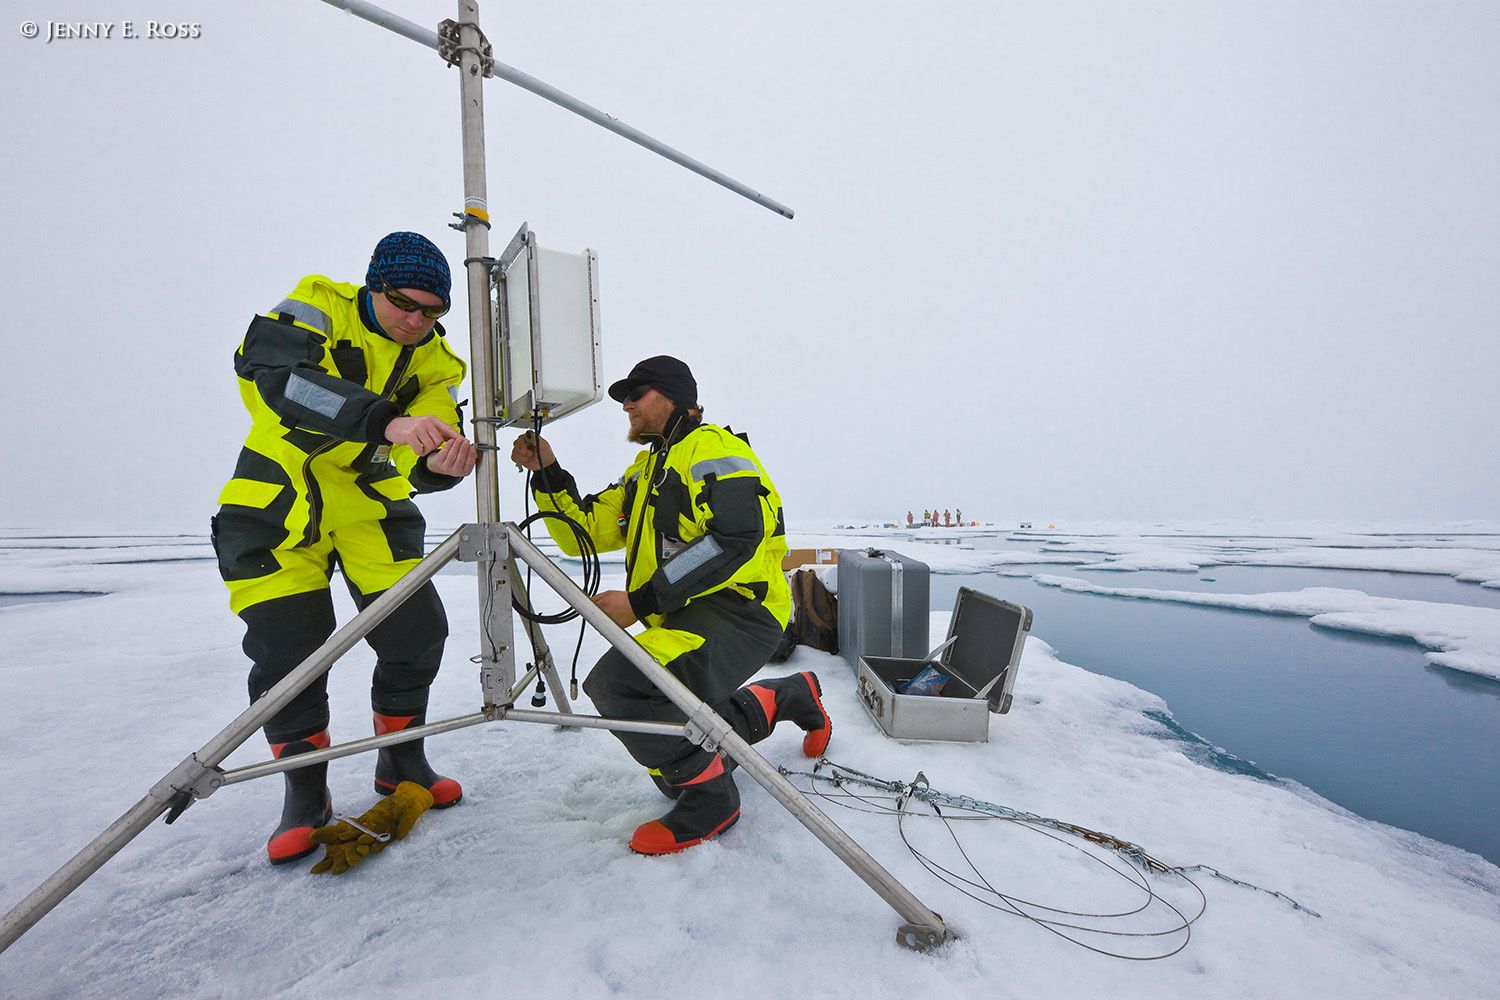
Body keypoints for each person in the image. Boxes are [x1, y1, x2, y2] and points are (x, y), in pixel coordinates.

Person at [212, 231, 479, 865]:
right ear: (373, 286)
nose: (415, 321)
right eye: (402, 304)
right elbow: (278, 378)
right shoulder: (315, 305)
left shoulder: (437, 363)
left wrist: (445, 461)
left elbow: (422, 459)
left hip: (369, 507)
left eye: (431, 311)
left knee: (417, 633)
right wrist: (387, 421)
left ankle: (400, 761)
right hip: (278, 499)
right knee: (288, 653)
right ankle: (306, 796)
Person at [510, 355, 832, 855]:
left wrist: (641, 601)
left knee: (621, 687)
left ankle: (712, 799)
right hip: (689, 612)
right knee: (671, 714)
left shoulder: (711, 449)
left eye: (636, 394)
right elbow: (587, 532)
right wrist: (548, 471)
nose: (626, 405)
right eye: (622, 397)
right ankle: (789, 696)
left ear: (672, 397)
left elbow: (736, 537)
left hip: (743, 611)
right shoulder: (647, 469)